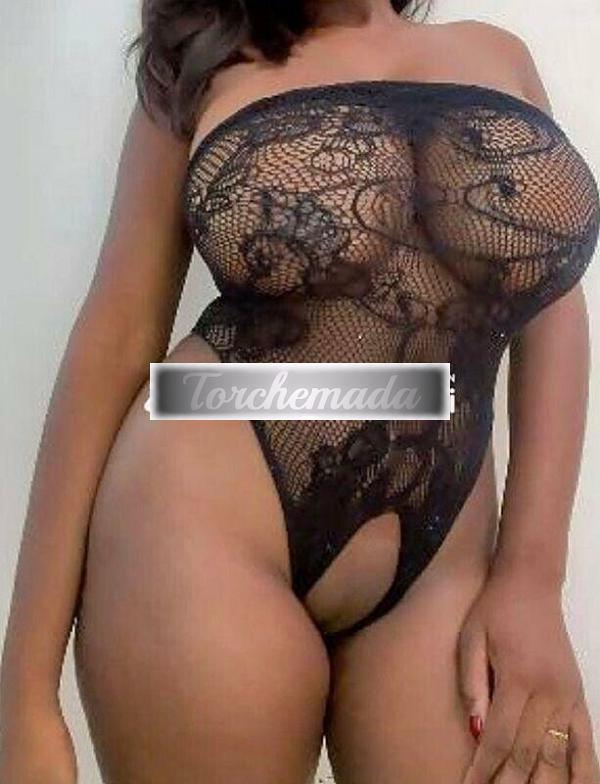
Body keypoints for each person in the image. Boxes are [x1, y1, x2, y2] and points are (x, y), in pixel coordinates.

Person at [1, 1, 599, 782]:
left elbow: (552, 307)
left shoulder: (499, 54)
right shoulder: (199, 70)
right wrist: (25, 691)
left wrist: (533, 578)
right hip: (202, 521)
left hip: (443, 563)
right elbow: (117, 338)